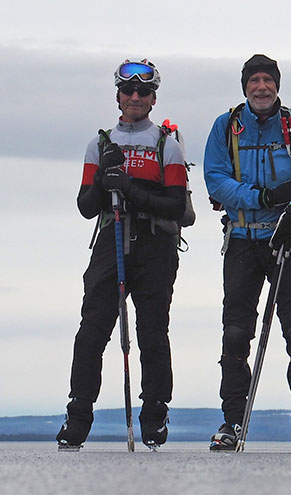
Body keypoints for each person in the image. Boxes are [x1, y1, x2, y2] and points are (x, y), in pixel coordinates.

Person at [56, 59, 187, 449]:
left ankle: (155, 416)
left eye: (143, 92)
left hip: (154, 244)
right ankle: (78, 416)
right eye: (128, 91)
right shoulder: (99, 143)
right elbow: (85, 205)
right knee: (93, 328)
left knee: (152, 332)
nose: (135, 97)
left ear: (153, 99)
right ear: (118, 96)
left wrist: (129, 188)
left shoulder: (168, 145)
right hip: (111, 239)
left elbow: (177, 206)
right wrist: (101, 180)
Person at [204, 54, 291, 451]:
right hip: (242, 239)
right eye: (254, 80)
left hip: (288, 240)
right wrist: (264, 197)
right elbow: (215, 178)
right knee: (236, 333)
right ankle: (231, 422)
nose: (261, 87)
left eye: (267, 80)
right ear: (245, 87)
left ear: (277, 85)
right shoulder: (227, 127)